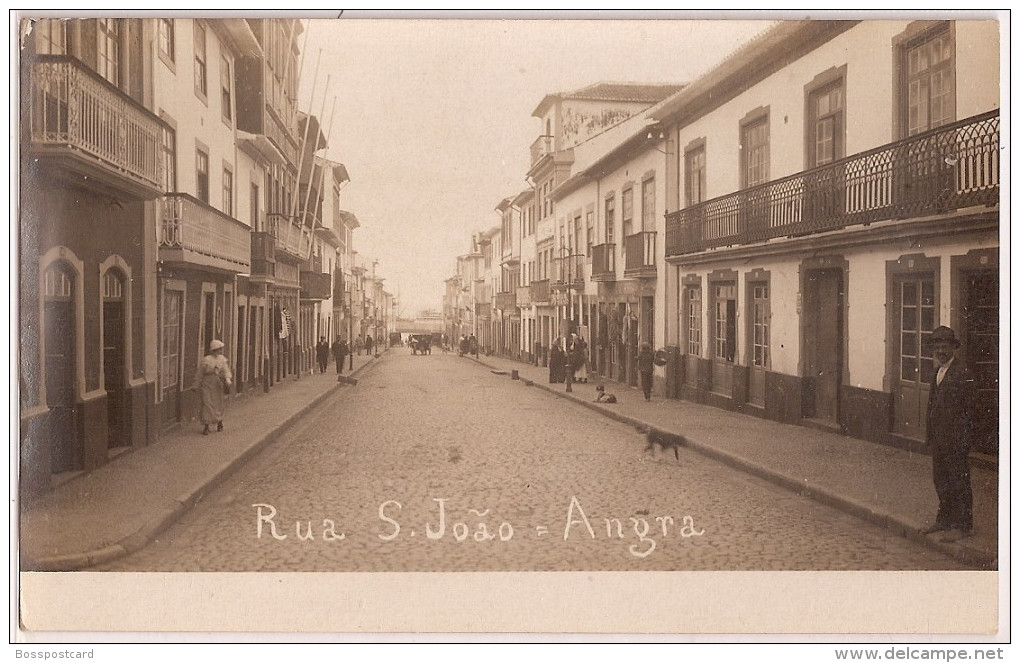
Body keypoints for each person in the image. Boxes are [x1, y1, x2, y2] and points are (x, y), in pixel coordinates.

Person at [921, 326, 975, 543]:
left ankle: (963, 525)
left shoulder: (963, 373)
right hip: (939, 439)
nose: (941, 351)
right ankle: (944, 519)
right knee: (941, 480)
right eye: (937, 347)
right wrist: (930, 436)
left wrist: (964, 439)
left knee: (959, 481)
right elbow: (932, 406)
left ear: (953, 348)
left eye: (945, 346)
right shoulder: (937, 372)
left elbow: (971, 409)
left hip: (956, 440)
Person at [194, 339, 232, 435]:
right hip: (207, 383)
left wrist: (228, 379)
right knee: (207, 403)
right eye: (219, 349)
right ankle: (206, 426)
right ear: (214, 350)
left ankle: (219, 422)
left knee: (218, 403)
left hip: (217, 383)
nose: (220, 351)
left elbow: (226, 370)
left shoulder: (222, 359)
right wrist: (196, 384)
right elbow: (200, 373)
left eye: (220, 349)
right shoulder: (206, 360)